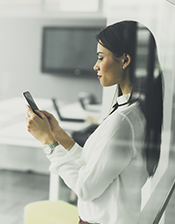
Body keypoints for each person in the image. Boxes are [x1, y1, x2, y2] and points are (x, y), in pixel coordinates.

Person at [25, 20, 163, 224]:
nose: (95, 65)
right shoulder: (134, 111)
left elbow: (85, 188)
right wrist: (58, 135)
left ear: (125, 59)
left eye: (100, 57)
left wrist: (48, 142)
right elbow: (95, 167)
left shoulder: (123, 121)